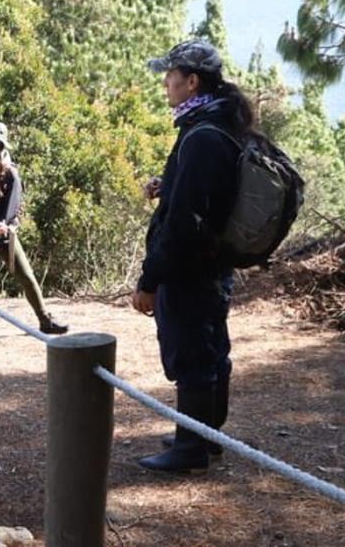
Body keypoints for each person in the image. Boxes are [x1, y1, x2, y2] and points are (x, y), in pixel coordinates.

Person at [133, 40, 250, 473]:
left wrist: (149, 280)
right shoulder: (217, 124)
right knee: (211, 346)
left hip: (191, 267)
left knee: (192, 353)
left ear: (192, 82)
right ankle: (206, 434)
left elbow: (182, 222)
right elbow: (205, 193)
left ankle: (190, 449)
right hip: (213, 262)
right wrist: (168, 185)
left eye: (171, 76)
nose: (166, 83)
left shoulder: (201, 135)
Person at [0, 122, 69, 338]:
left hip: (3, 232)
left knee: (25, 274)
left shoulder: (10, 173)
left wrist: (4, 226)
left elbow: (14, 205)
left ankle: (44, 319)